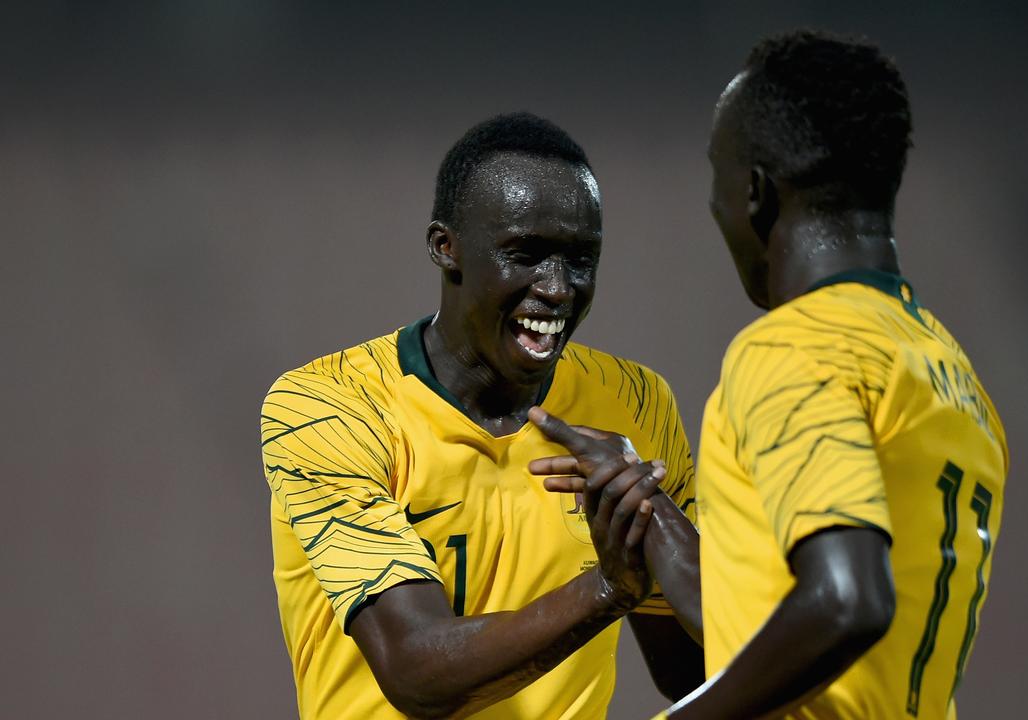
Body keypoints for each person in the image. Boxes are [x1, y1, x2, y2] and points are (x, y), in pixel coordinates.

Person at [530, 30, 1009, 719]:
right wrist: (649, 507)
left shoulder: (795, 350)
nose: (712, 205)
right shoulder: (944, 370)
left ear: (754, 192)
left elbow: (847, 603)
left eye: (715, 175)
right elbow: (770, 631)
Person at [259, 112, 703, 720]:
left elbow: (694, 671)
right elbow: (417, 673)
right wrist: (608, 589)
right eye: (525, 255)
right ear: (447, 249)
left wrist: (661, 525)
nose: (557, 289)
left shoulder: (637, 402)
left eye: (581, 258)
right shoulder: (327, 407)